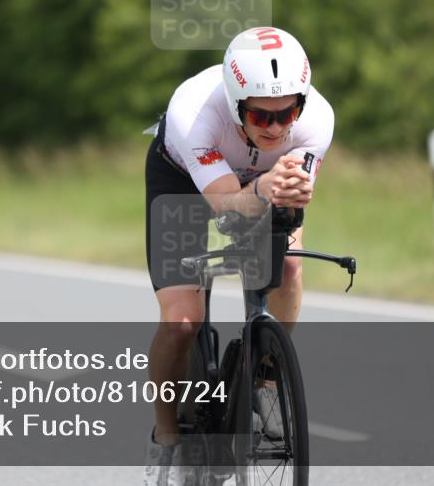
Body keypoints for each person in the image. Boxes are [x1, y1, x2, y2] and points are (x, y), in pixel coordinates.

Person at [143, 27, 334, 484]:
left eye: (285, 114)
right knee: (183, 320)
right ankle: (166, 437)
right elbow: (228, 204)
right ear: (234, 105)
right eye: (259, 116)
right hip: (184, 182)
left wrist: (289, 193)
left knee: (287, 267)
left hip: (261, 180)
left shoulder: (317, 120)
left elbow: (287, 201)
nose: (275, 127)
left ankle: (265, 377)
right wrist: (264, 189)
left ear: (301, 104)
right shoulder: (195, 115)